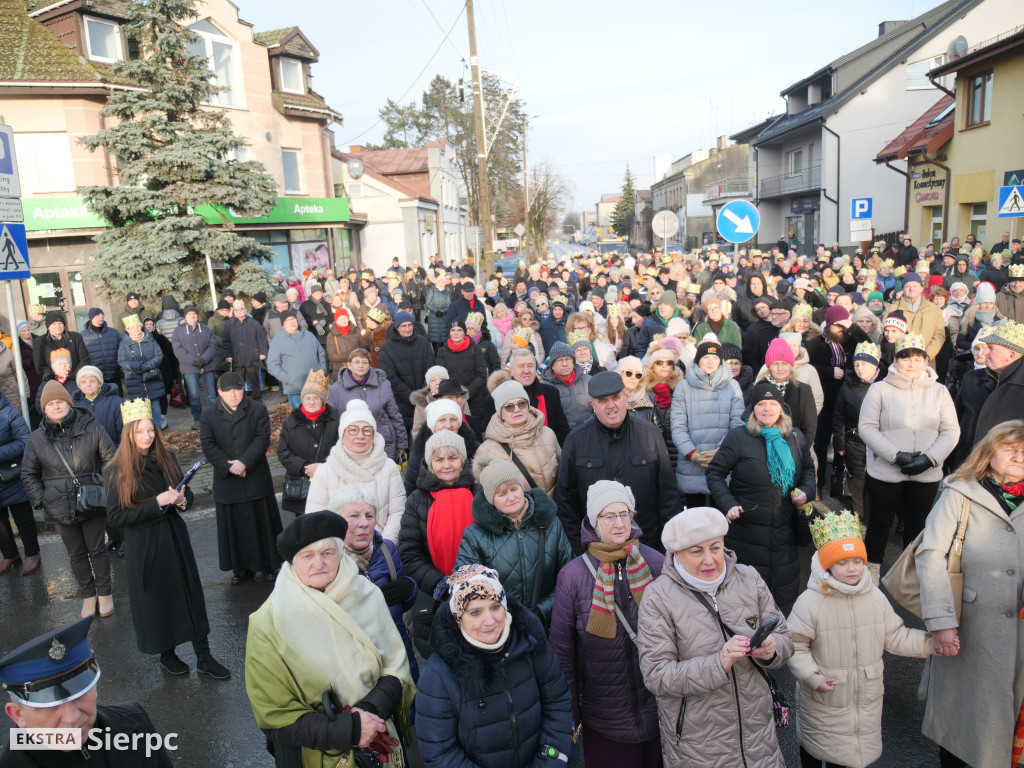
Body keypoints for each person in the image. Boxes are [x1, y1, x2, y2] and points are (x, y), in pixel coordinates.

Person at [245, 512, 415, 768]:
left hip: (379, 732)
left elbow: (396, 669)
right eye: (307, 556)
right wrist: (351, 729)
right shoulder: (268, 623)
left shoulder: (368, 595)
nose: (319, 564)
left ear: (341, 553)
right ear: (292, 562)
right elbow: (275, 715)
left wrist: (368, 711)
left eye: (328, 553)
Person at [637, 506, 794, 768]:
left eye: (716, 547)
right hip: (698, 746)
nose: (709, 560)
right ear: (677, 553)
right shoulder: (658, 598)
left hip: (759, 738)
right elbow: (657, 676)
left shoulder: (749, 578)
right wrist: (718, 663)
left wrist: (772, 649)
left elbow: (784, 637)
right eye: (696, 551)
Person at [787, 509, 933, 768]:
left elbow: (894, 635)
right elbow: (795, 645)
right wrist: (812, 677)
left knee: (850, 757)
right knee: (816, 748)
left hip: (866, 696)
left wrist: (930, 643)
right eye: (842, 562)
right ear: (827, 565)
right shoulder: (810, 602)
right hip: (825, 695)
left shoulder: (874, 597)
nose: (851, 568)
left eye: (857, 560)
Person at [916, 420, 1024, 768]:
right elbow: (930, 555)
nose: (1018, 456)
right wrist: (941, 622)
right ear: (989, 451)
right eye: (1010, 448)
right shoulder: (960, 493)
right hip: (969, 630)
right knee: (964, 731)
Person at [103, 398, 230, 679]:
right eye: (139, 432)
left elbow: (186, 496)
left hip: (174, 537)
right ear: (128, 435)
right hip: (145, 545)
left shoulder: (166, 457)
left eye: (150, 430)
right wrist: (155, 503)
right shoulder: (115, 471)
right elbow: (115, 518)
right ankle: (167, 654)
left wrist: (183, 500)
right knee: (158, 600)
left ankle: (204, 656)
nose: (147, 436)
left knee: (190, 594)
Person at [549, 481, 665, 767]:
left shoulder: (656, 563)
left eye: (625, 514)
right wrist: (572, 714)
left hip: (659, 711)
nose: (619, 523)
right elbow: (563, 653)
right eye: (609, 516)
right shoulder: (573, 576)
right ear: (594, 521)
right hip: (604, 717)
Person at [415, 564, 573, 768]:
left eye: (495, 607)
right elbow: (440, 752)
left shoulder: (532, 645)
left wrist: (550, 759)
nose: (489, 621)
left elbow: (557, 702)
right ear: (458, 618)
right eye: (475, 613)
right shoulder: (438, 675)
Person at [0, 617, 173, 767]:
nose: (72, 717)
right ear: (17, 715)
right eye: (49, 704)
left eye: (79, 693)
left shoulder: (135, 721)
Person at [706, 380, 816, 610]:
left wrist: (806, 491)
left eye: (772, 403)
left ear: (781, 407)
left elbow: (808, 470)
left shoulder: (795, 437)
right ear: (753, 409)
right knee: (748, 603)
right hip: (747, 532)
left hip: (786, 533)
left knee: (784, 599)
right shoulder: (739, 437)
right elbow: (715, 473)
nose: (767, 409)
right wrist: (728, 504)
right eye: (761, 404)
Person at [858, 333, 959, 583]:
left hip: (926, 473)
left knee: (917, 524)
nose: (912, 364)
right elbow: (867, 427)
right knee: (880, 522)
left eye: (917, 358)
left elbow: (951, 430)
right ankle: (873, 567)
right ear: (895, 360)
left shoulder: (940, 391)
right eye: (906, 358)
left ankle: (909, 571)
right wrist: (895, 456)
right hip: (886, 471)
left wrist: (930, 459)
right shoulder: (879, 389)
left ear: (926, 360)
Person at [22, 381, 116, 618]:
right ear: (44, 409)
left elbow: (111, 461)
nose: (56, 407)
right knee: (75, 553)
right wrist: (42, 500)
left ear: (69, 403)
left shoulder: (93, 427)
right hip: (58, 504)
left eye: (59, 402)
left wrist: (101, 485)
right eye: (50, 404)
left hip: (92, 500)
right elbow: (29, 473)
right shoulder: (36, 439)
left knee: (97, 550)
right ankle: (88, 596)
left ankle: (105, 594)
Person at [557, 371, 679, 554]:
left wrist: (665, 549)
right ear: (592, 405)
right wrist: (580, 550)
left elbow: (668, 496)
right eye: (602, 400)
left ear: (626, 398)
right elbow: (566, 502)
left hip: (646, 544)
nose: (611, 405)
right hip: (596, 548)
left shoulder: (650, 434)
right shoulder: (576, 441)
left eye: (616, 397)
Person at [457, 460, 572, 626]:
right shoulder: (474, 535)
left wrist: (543, 610)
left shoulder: (551, 524)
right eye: (502, 494)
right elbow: (466, 590)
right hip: (500, 627)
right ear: (491, 499)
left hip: (547, 624)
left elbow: (567, 579)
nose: (511, 497)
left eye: (514, 489)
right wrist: (502, 614)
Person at [398, 431, 479, 652]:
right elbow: (410, 550)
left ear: (463, 460)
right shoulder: (417, 499)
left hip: (480, 594)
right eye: (439, 459)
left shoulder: (478, 492)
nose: (446, 465)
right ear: (429, 462)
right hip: (436, 597)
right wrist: (438, 583)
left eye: (452, 458)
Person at [199, 371, 283, 585]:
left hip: (254, 476)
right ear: (219, 392)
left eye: (237, 390)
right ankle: (240, 568)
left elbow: (262, 438)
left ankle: (269, 564)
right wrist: (230, 466)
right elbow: (208, 445)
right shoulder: (209, 415)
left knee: (262, 522)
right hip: (228, 479)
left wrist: (244, 462)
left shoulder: (257, 409)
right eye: (228, 392)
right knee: (234, 526)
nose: (233, 395)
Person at [333, 485, 419, 680]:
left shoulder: (387, 549)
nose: (364, 523)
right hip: (357, 667)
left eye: (370, 516)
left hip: (400, 656)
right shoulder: (330, 563)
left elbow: (403, 601)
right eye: (353, 516)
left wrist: (410, 589)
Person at [306, 400, 406, 540]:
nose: (360, 436)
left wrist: (386, 544)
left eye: (366, 429)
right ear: (342, 434)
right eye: (353, 429)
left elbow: (398, 512)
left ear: (374, 434)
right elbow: (315, 517)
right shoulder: (325, 471)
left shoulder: (389, 467)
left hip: (381, 547)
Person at [673, 339, 745, 508]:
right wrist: (692, 453)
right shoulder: (683, 387)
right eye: (706, 357)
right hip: (692, 462)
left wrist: (722, 452)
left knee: (720, 518)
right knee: (695, 518)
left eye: (715, 357)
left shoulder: (732, 386)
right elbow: (678, 426)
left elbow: (737, 423)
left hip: (723, 461)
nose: (710, 362)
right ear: (698, 359)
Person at [472, 380, 561, 496]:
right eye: (509, 407)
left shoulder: (548, 434)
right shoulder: (487, 450)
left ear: (528, 406)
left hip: (557, 509)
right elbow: (487, 495)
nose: (517, 409)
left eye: (522, 404)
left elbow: (564, 474)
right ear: (500, 413)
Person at [276, 370, 339, 517]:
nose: (311, 402)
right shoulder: (291, 421)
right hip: (301, 484)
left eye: (315, 398)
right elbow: (283, 452)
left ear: (323, 400)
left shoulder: (335, 419)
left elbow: (343, 448)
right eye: (308, 398)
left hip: (330, 482)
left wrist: (323, 466)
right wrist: (304, 467)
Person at [326, 348, 407, 462]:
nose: (361, 365)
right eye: (357, 362)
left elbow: (394, 414)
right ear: (349, 365)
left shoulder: (384, 385)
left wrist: (401, 443)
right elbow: (331, 420)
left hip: (382, 441)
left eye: (364, 362)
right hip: (352, 444)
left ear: (370, 365)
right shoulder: (336, 389)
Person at [831, 341, 880, 524]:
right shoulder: (848, 385)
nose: (859, 369)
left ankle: (876, 512)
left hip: (880, 440)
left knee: (878, 477)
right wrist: (840, 443)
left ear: (875, 365)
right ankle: (858, 512)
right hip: (854, 439)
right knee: (858, 476)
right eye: (857, 364)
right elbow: (839, 416)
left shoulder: (886, 384)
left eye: (864, 364)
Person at [480, 348, 570, 444]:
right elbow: (492, 437)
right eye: (521, 366)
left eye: (530, 366)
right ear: (511, 371)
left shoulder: (551, 394)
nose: (526, 371)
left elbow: (561, 431)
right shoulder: (494, 399)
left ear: (535, 368)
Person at [404, 395, 479, 493]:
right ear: (433, 424)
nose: (448, 425)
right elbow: (410, 491)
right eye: (442, 420)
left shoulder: (475, 449)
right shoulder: (419, 453)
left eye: (453, 419)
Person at [380, 310, 436, 435]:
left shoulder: (423, 343)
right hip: (401, 403)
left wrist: (423, 393)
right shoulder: (387, 348)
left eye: (410, 325)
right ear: (397, 328)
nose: (407, 329)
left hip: (425, 400)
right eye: (403, 326)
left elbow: (431, 369)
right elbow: (391, 377)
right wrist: (412, 396)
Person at [0, 393, 38, 576]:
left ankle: (32, 553)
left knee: (23, 516)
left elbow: (25, 440)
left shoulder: (9, 412)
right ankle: (10, 554)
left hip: (12, 475)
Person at [972, 321, 1024, 445]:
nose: (984, 352)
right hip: (966, 462)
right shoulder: (972, 380)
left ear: (1011, 355)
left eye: (991, 347)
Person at [265, 309, 327, 410]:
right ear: (283, 324)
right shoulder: (278, 341)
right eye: (288, 320)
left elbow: (320, 353)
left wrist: (322, 370)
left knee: (318, 414)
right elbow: (272, 365)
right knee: (299, 417)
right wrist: (287, 379)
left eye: (294, 319)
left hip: (315, 385)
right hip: (295, 388)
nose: (292, 322)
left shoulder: (309, 335)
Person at [435, 320, 488, 432]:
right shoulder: (442, 351)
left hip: (474, 401)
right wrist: (453, 395)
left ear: (465, 332)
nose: (456, 333)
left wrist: (466, 394)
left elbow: (482, 375)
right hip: (450, 401)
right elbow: (441, 377)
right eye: (453, 330)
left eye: (459, 330)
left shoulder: (475, 349)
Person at [171, 305, 216, 430]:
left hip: (207, 367)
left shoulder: (206, 330)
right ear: (185, 316)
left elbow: (212, 346)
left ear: (197, 315)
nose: (192, 316)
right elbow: (178, 349)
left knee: (211, 394)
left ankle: (214, 418)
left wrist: (203, 359)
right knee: (194, 395)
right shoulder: (178, 332)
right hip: (190, 368)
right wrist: (194, 361)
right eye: (189, 314)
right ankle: (197, 419)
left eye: (194, 314)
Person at [118, 315, 166, 430]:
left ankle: (158, 431)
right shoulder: (124, 344)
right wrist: (137, 366)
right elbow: (122, 361)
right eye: (133, 327)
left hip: (151, 377)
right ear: (127, 329)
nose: (137, 329)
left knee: (155, 404)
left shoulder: (150, 339)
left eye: (138, 326)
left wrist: (147, 366)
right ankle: (145, 430)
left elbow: (159, 355)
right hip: (134, 379)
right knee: (141, 407)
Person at [222, 301, 268, 400]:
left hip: (252, 357)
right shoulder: (229, 324)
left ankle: (257, 401)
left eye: (241, 309)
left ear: (245, 310)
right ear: (233, 311)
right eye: (236, 310)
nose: (238, 312)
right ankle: (241, 401)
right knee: (239, 382)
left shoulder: (254, 323)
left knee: (255, 381)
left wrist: (263, 352)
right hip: (237, 358)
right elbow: (226, 341)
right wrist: (228, 355)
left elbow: (262, 338)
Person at [34, 310, 89, 381]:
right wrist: (53, 375)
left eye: (60, 323)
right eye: (54, 324)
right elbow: (40, 366)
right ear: (48, 327)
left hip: (75, 379)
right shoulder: (39, 342)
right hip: (53, 381)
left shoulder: (76, 338)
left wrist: (74, 375)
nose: (58, 326)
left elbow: (84, 359)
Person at [80, 308, 121, 388]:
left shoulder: (113, 333)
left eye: (102, 315)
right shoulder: (82, 336)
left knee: (117, 399)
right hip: (95, 376)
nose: (101, 317)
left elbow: (121, 351)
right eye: (98, 315)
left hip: (115, 374)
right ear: (91, 318)